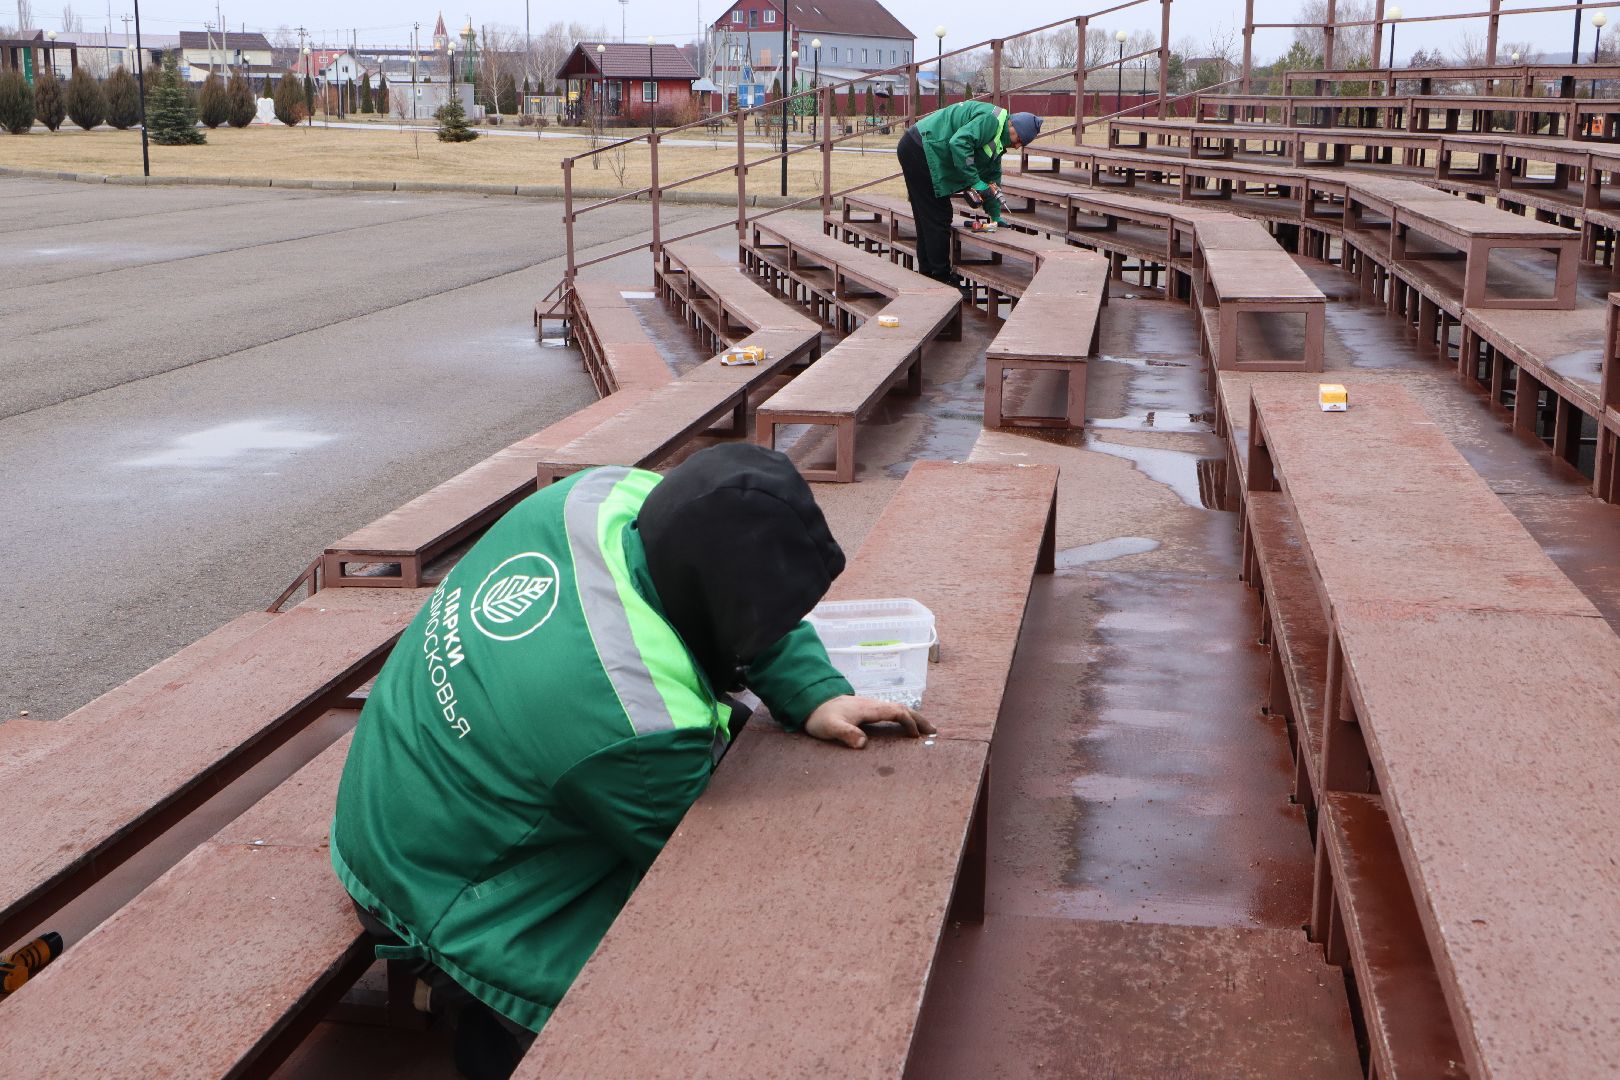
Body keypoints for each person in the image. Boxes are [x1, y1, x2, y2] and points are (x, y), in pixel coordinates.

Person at [330, 443, 932, 1079]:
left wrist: (816, 691)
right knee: (661, 982)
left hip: (401, 774)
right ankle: (484, 1023)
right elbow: (698, 873)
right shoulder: (632, 719)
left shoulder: (601, 498)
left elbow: (725, 578)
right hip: (440, 883)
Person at [896, 102, 1043, 296]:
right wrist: (974, 181)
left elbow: (991, 179)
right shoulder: (992, 120)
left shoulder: (997, 141)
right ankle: (941, 278)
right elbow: (959, 142)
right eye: (1019, 140)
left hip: (917, 146)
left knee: (927, 217)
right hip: (920, 148)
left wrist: (995, 215)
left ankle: (928, 272)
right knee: (939, 216)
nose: (1017, 146)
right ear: (1012, 126)